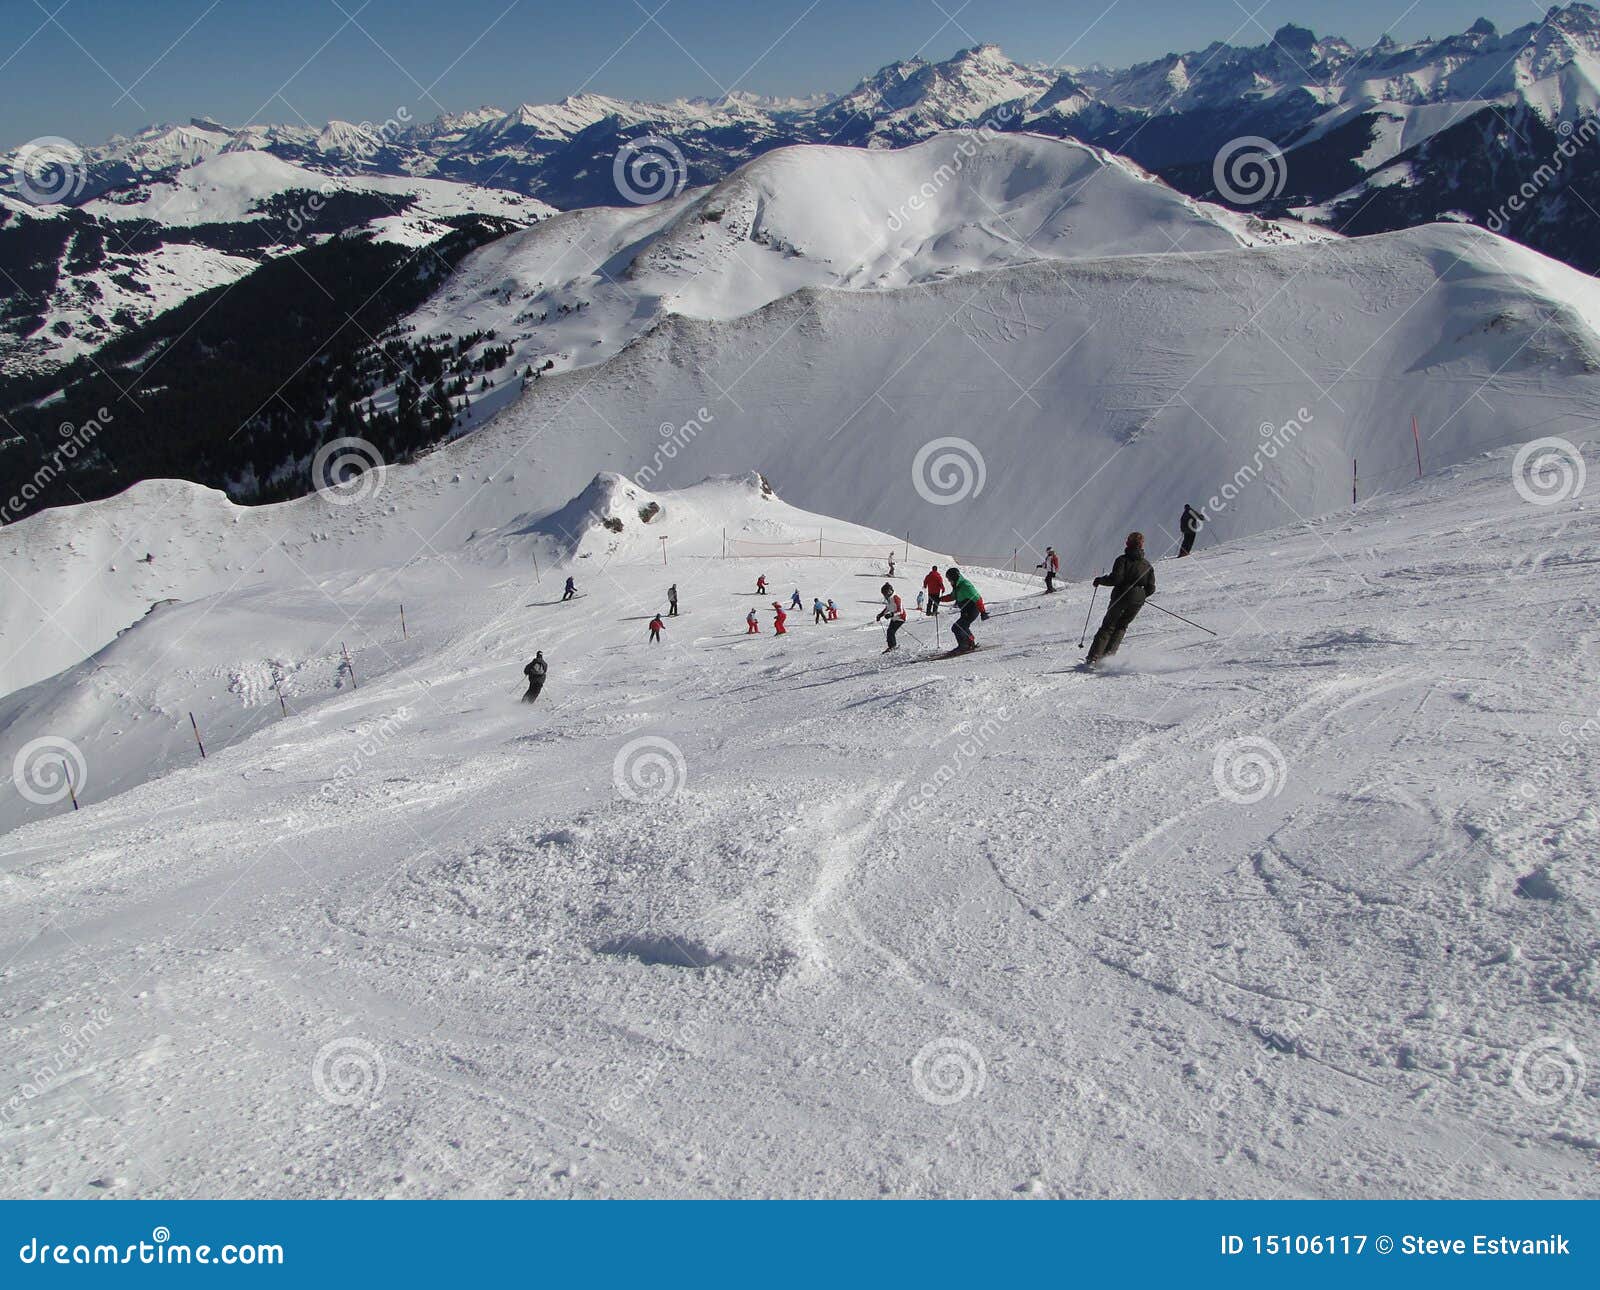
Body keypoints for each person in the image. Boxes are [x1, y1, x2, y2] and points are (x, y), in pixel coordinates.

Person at [1086, 532, 1156, 667]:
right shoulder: (1147, 565)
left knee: (1108, 626)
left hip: (1121, 596)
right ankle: (1108, 658)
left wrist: (1100, 580)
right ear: (1142, 545)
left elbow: (1116, 579)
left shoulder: (1122, 560)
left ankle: (1094, 657)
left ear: (1127, 544)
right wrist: (1140, 596)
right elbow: (1151, 588)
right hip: (1137, 600)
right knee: (1122, 626)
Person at [940, 566, 983, 653]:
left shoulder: (965, 585)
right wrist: (940, 599)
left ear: (954, 578)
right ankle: (970, 643)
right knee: (963, 627)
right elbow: (952, 596)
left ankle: (963, 646)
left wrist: (983, 612)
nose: (949, 582)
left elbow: (978, 598)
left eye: (949, 579)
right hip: (966, 611)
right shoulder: (958, 586)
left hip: (972, 610)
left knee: (957, 627)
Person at [876, 582, 907, 652]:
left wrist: (891, 614)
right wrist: (880, 615)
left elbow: (900, 611)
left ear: (889, 592)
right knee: (889, 631)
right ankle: (891, 646)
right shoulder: (890, 599)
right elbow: (887, 608)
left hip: (900, 618)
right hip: (894, 618)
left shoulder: (896, 598)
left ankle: (893, 646)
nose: (885, 596)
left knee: (891, 631)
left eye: (885, 594)